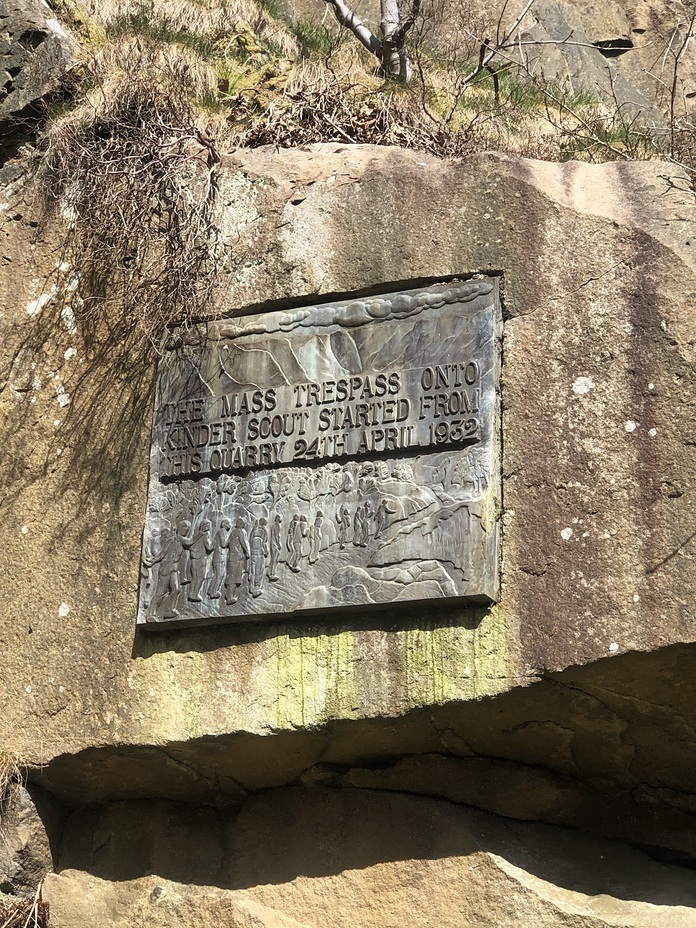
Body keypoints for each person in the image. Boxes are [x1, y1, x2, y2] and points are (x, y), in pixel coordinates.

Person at [224, 516, 250, 605]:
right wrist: (247, 552)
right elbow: (244, 542)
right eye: (238, 521)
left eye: (240, 521)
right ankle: (230, 597)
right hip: (237, 557)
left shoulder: (233, 531)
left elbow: (225, 543)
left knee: (231, 576)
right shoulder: (240, 531)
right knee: (234, 578)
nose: (238, 523)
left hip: (231, 557)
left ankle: (229, 595)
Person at [208, 519, 231, 599]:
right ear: (224, 524)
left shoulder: (220, 532)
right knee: (220, 575)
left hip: (217, 556)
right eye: (229, 523)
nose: (230, 525)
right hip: (219, 557)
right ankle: (214, 592)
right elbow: (224, 544)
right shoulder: (222, 532)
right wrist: (231, 538)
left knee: (217, 575)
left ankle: (210, 590)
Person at [249, 517, 269, 597]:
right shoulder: (263, 530)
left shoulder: (254, 530)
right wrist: (266, 551)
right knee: (259, 570)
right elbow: (265, 541)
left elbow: (250, 541)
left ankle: (251, 587)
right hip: (259, 553)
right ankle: (256, 589)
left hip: (253, 553)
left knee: (253, 571)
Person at [268, 514, 282, 581]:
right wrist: (279, 543)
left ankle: (269, 572)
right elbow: (277, 535)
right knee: (275, 559)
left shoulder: (272, 525)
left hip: (272, 543)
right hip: (275, 543)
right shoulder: (277, 525)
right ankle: (272, 574)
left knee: (274, 558)